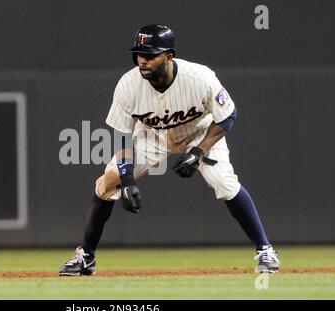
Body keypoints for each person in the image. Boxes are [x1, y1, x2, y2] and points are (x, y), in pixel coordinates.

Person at [59, 24, 280, 276]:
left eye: (150, 55)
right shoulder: (128, 85)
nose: (142, 60)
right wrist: (128, 179)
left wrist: (199, 152)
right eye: (139, 54)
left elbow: (228, 116)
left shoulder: (200, 78)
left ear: (168, 56)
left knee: (224, 183)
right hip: (152, 137)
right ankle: (85, 256)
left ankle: (265, 249)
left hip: (200, 132)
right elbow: (121, 135)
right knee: (108, 183)